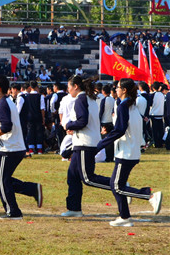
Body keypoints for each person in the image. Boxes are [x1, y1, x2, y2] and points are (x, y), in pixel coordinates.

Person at [96, 78, 163, 227]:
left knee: (117, 186)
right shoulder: (130, 105)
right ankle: (125, 217)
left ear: (124, 90)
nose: (116, 90)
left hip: (126, 152)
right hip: (130, 150)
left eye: (118, 87)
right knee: (116, 184)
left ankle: (149, 195)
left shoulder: (124, 106)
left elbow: (120, 130)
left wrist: (100, 144)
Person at [0, 76, 42, 220]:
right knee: (5, 179)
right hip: (13, 147)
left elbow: (6, 126)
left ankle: (13, 212)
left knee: (2, 180)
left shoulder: (2, 104)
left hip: (8, 149)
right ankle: (32, 189)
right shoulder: (6, 102)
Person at [60, 76, 110, 217]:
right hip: (84, 142)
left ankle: (120, 185)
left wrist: (68, 125)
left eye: (69, 86)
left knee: (88, 178)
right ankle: (74, 209)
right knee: (73, 176)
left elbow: (82, 121)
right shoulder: (89, 98)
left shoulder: (81, 99)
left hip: (85, 143)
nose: (68, 89)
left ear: (76, 86)